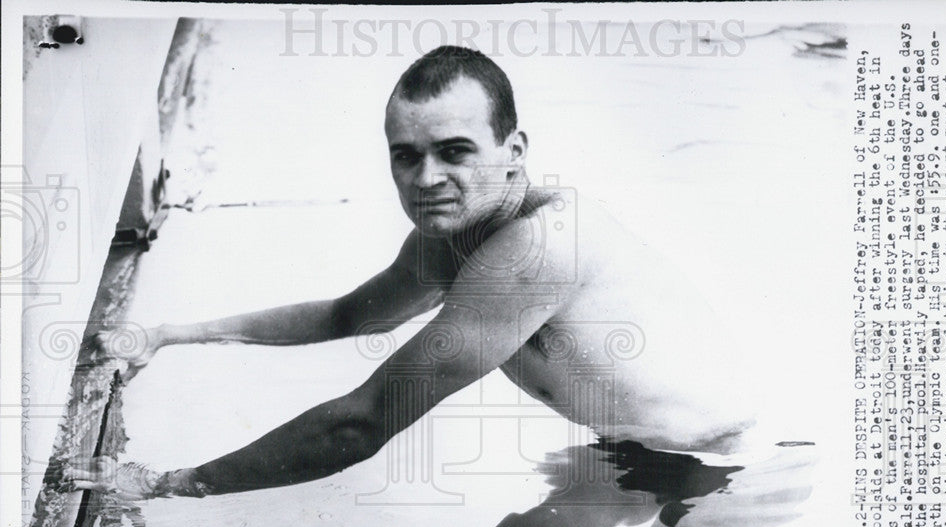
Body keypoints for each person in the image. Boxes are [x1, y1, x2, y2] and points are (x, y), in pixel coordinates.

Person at [66, 46, 762, 500]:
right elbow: (348, 316)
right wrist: (167, 332)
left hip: (726, 471)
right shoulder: (454, 230)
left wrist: (169, 484)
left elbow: (360, 426)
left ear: (514, 151)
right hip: (636, 448)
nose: (426, 179)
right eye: (406, 155)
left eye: (455, 151)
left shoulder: (540, 248)